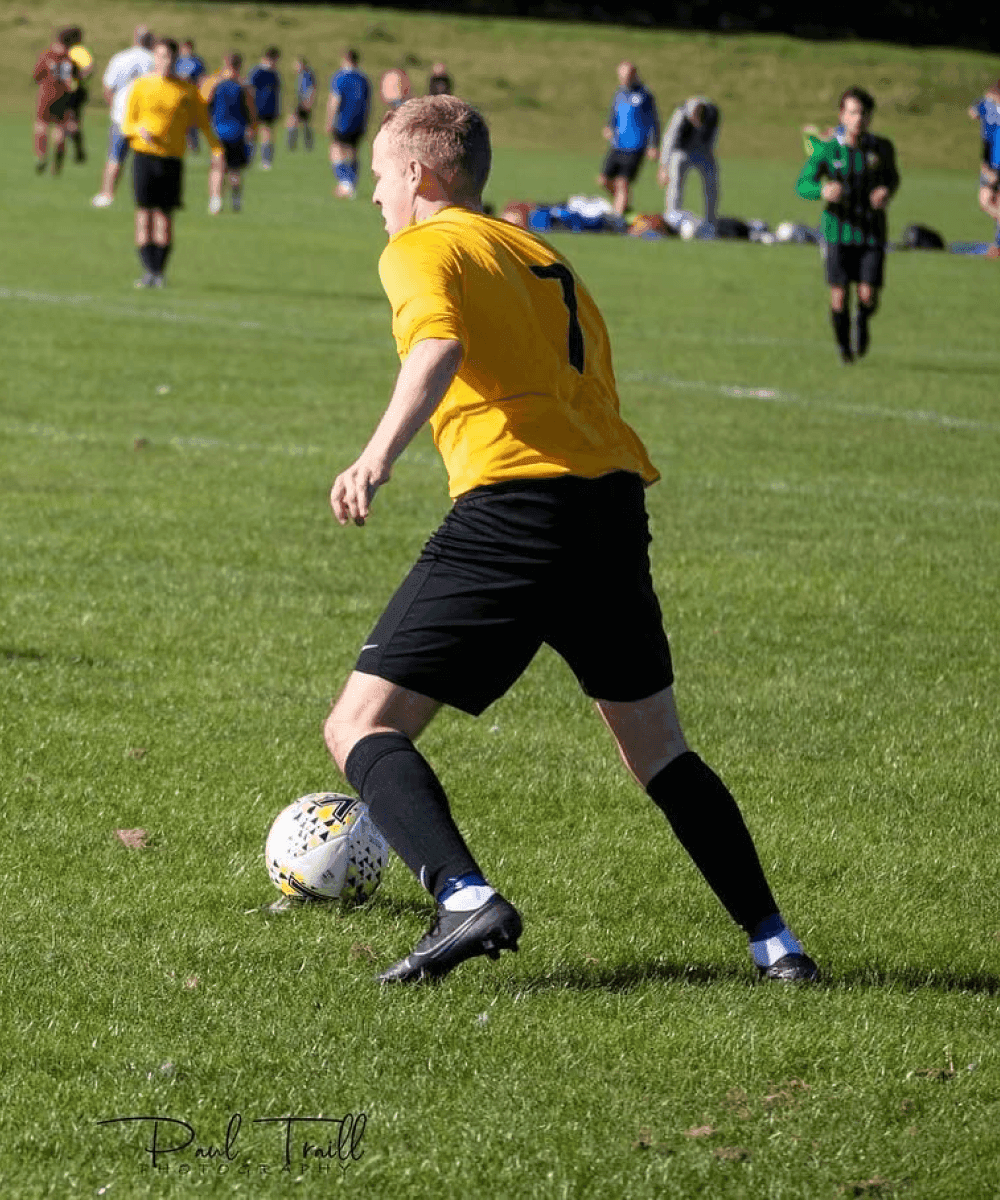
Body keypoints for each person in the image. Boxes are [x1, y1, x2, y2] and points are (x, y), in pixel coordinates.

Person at [323, 94, 820, 988]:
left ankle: (466, 899)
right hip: (611, 508)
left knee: (358, 724)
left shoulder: (421, 246)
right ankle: (775, 944)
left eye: (376, 177)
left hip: (516, 508)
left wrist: (373, 457)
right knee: (660, 749)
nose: (372, 198)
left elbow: (433, 345)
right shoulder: (540, 252)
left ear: (416, 175)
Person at [796, 87, 899, 364]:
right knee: (839, 297)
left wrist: (886, 191)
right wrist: (822, 190)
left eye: (864, 113)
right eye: (852, 112)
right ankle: (845, 351)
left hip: (871, 232)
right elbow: (803, 184)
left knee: (868, 296)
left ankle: (862, 321)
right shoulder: (828, 149)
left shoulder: (882, 149)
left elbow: (892, 178)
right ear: (842, 115)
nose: (858, 119)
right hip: (836, 231)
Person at [120, 37, 222, 287]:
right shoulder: (141, 85)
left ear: (177, 60)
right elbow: (126, 124)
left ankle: (160, 271)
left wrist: (217, 149)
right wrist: (139, 130)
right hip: (144, 155)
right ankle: (149, 271)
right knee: (144, 216)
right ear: (154, 57)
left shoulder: (186, 90)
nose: (165, 62)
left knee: (165, 219)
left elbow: (204, 122)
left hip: (172, 159)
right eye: (161, 56)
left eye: (170, 57)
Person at [91, 26, 155, 208]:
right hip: (145, 118)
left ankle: (107, 194)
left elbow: (108, 87)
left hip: (121, 115)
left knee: (114, 157)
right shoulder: (153, 60)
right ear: (150, 40)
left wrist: (114, 107)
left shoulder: (120, 57)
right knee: (146, 159)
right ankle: (145, 195)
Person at [598, 61, 659, 217]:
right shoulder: (619, 93)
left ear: (634, 75)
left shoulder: (645, 95)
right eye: (621, 76)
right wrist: (609, 127)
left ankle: (617, 218)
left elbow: (654, 121)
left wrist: (653, 145)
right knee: (604, 180)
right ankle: (623, 206)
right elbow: (614, 113)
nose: (623, 79)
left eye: (626, 76)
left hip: (636, 146)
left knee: (622, 183)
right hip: (617, 144)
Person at [204, 53, 256, 213]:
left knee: (217, 167)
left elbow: (204, 103)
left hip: (218, 131)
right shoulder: (243, 85)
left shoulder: (215, 83)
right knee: (235, 168)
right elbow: (252, 110)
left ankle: (215, 200)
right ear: (239, 65)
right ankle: (236, 200)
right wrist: (253, 128)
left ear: (225, 62)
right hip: (237, 131)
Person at [658, 96, 721, 227]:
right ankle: (672, 217)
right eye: (692, 118)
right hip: (681, 151)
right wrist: (664, 167)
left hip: (703, 151)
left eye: (698, 117)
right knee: (675, 182)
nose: (695, 121)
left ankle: (711, 221)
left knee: (712, 181)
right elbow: (669, 139)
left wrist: (708, 153)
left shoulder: (713, 113)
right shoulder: (680, 114)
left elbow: (713, 137)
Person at [326, 49, 371, 198]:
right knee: (353, 154)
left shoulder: (340, 77)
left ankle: (346, 183)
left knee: (335, 151)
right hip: (359, 121)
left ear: (345, 59)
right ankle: (351, 184)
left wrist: (329, 120)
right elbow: (368, 103)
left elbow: (335, 101)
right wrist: (366, 122)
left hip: (343, 121)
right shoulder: (364, 79)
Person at [32, 29, 75, 175]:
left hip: (46, 95)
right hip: (62, 95)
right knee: (60, 129)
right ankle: (56, 164)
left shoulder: (47, 55)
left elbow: (37, 75)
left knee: (41, 125)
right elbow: (72, 80)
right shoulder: (68, 58)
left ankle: (41, 157)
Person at [967, 80, 1000, 257]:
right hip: (989, 163)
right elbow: (972, 112)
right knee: (987, 202)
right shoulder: (988, 106)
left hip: (996, 164)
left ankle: (998, 245)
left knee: (990, 201)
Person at [63, 27, 94, 163]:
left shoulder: (73, 51)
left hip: (68, 91)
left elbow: (89, 68)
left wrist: (77, 78)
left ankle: (77, 152)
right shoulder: (77, 51)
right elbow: (90, 68)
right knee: (71, 122)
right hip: (73, 90)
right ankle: (78, 151)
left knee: (69, 122)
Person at [248, 47, 281, 169]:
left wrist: (277, 108)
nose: (275, 63)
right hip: (256, 107)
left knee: (267, 133)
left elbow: (277, 92)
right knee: (252, 133)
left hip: (269, 108)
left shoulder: (274, 74)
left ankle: (266, 161)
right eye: (274, 60)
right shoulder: (257, 72)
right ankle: (248, 158)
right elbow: (250, 90)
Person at [175, 39, 206, 151]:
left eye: (188, 48)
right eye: (184, 48)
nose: (185, 50)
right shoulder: (176, 61)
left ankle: (194, 146)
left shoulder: (197, 62)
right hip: (178, 95)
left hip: (192, 95)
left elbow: (202, 79)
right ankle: (182, 144)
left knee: (192, 121)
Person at [287, 56, 316, 150]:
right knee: (304, 124)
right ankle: (308, 145)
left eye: (297, 65)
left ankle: (292, 145)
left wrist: (309, 102)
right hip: (301, 102)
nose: (296, 67)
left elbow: (312, 89)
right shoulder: (302, 74)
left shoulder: (307, 75)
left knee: (293, 121)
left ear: (302, 65)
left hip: (304, 102)